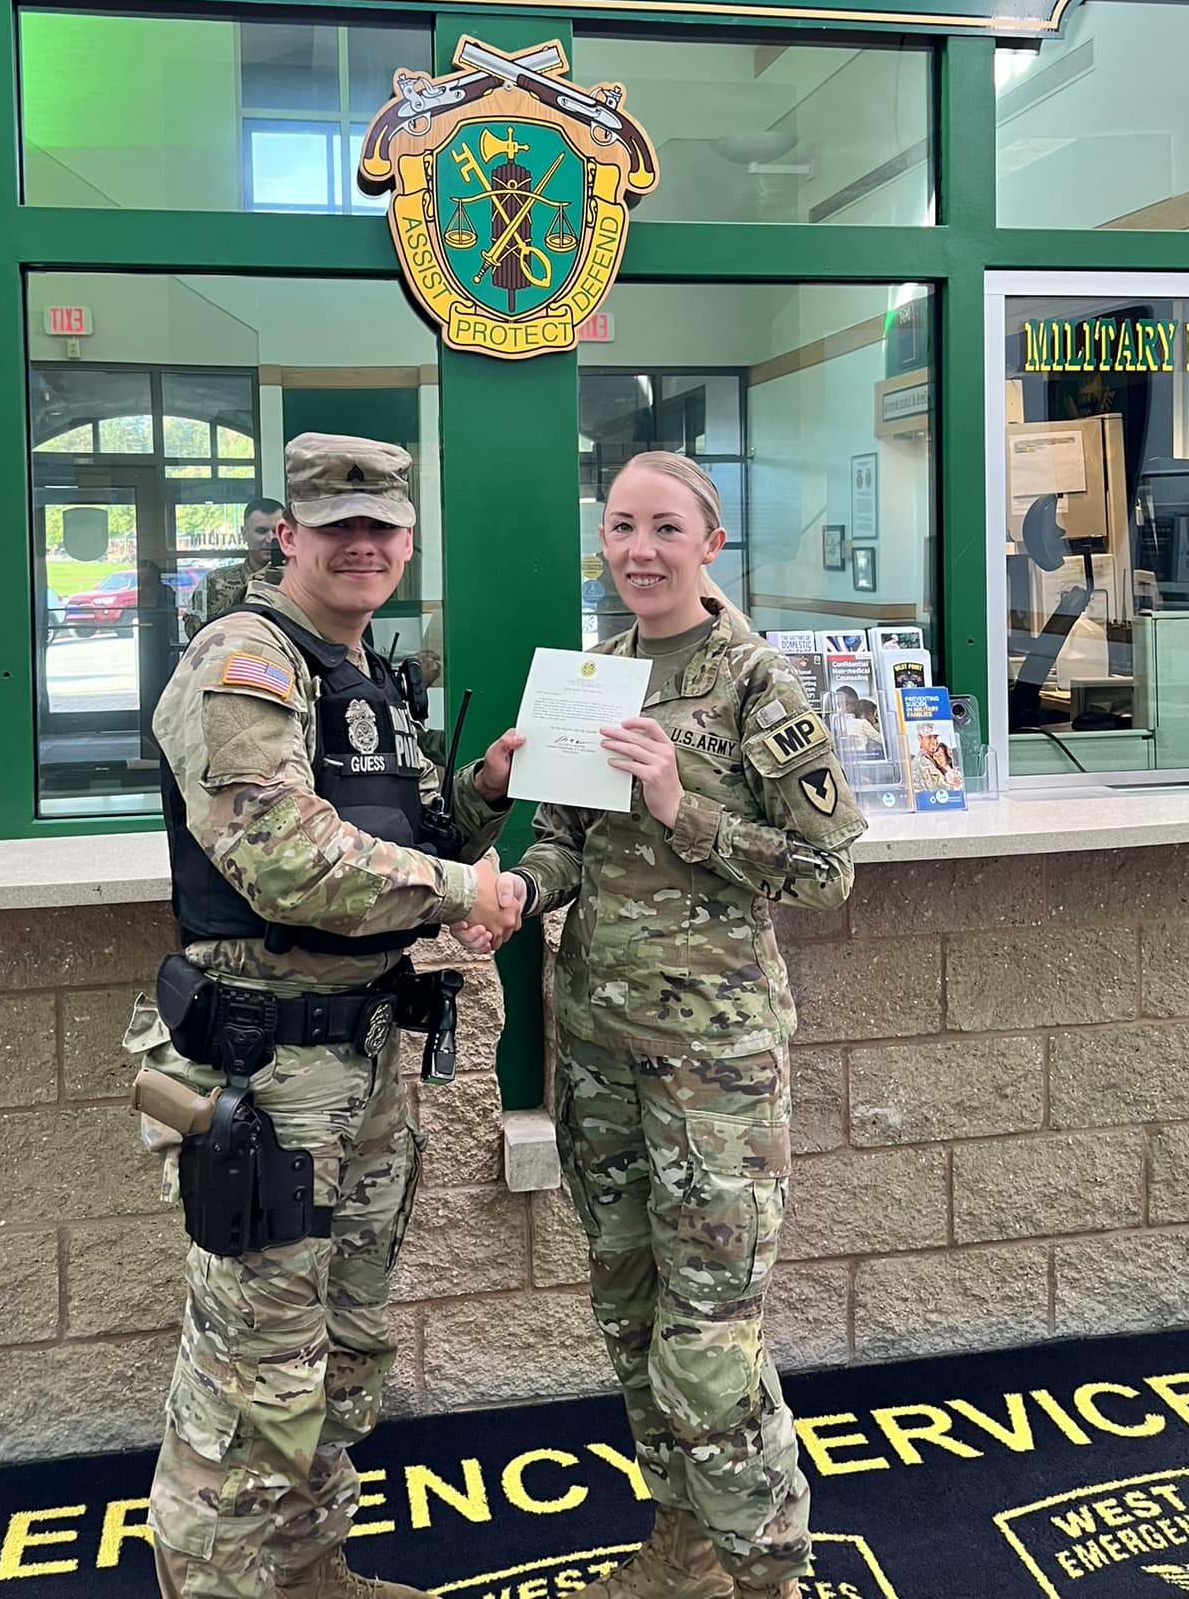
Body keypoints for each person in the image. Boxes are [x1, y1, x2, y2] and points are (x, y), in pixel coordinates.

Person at [134, 432, 524, 1599]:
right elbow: (285, 859)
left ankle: (308, 1571)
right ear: (287, 533)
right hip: (269, 1076)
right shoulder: (245, 657)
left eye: (383, 526)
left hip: (361, 1062)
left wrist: (481, 794)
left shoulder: (365, 672)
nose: (364, 543)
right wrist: (464, 891)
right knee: (253, 1372)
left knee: (344, 1348)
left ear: (407, 541)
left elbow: (404, 836)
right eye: (337, 523)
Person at [500, 452, 866, 1599]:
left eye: (665, 527)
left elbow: (827, 870)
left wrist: (682, 807)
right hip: (599, 1054)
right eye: (622, 525)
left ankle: (769, 1575)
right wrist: (516, 890)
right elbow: (564, 840)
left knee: (710, 1346)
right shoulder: (595, 673)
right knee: (629, 1312)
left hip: (715, 1067)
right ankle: (684, 1548)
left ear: (711, 543)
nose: (639, 549)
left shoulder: (756, 681)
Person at [183, 497, 286, 640]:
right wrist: (243, 593)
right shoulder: (216, 581)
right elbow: (193, 630)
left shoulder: (301, 580)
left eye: (276, 531)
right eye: (261, 531)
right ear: (244, 533)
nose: (270, 539)